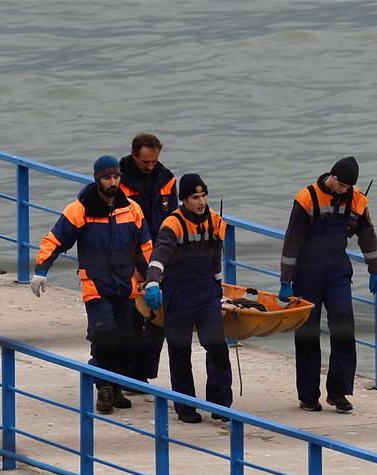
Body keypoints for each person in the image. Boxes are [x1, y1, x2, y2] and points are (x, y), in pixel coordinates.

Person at [30, 155, 153, 414]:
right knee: (104, 334)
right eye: (107, 177)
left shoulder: (132, 209)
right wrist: (42, 269)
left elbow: (145, 248)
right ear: (98, 178)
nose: (112, 182)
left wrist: (152, 279)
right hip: (96, 285)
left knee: (127, 339)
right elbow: (55, 239)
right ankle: (104, 388)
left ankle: (116, 384)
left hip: (126, 285)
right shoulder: (80, 209)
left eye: (116, 177)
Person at [277, 156, 377, 414]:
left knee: (344, 330)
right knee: (308, 334)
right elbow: (292, 242)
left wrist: (375, 269)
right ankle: (308, 395)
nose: (345, 191)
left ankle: (338, 392)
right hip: (307, 273)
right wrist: (285, 280)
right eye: (342, 185)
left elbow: (367, 235)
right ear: (332, 177)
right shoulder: (306, 199)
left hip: (337, 273)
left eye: (348, 187)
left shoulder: (356, 200)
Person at [143, 173, 233, 424]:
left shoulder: (216, 221)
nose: (201, 201)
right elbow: (159, 255)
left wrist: (219, 288)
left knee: (217, 346)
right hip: (178, 293)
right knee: (180, 351)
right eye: (195, 197)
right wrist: (152, 282)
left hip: (206, 293)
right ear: (184, 200)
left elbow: (216, 257)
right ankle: (186, 407)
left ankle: (221, 404)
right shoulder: (172, 224)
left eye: (204, 196)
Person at [119, 133, 178, 392]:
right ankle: (127, 374)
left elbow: (174, 219)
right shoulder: (118, 181)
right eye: (145, 162)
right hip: (129, 257)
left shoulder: (167, 180)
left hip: (160, 256)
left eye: (154, 161)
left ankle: (142, 374)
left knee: (158, 318)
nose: (150, 166)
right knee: (130, 318)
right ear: (134, 155)